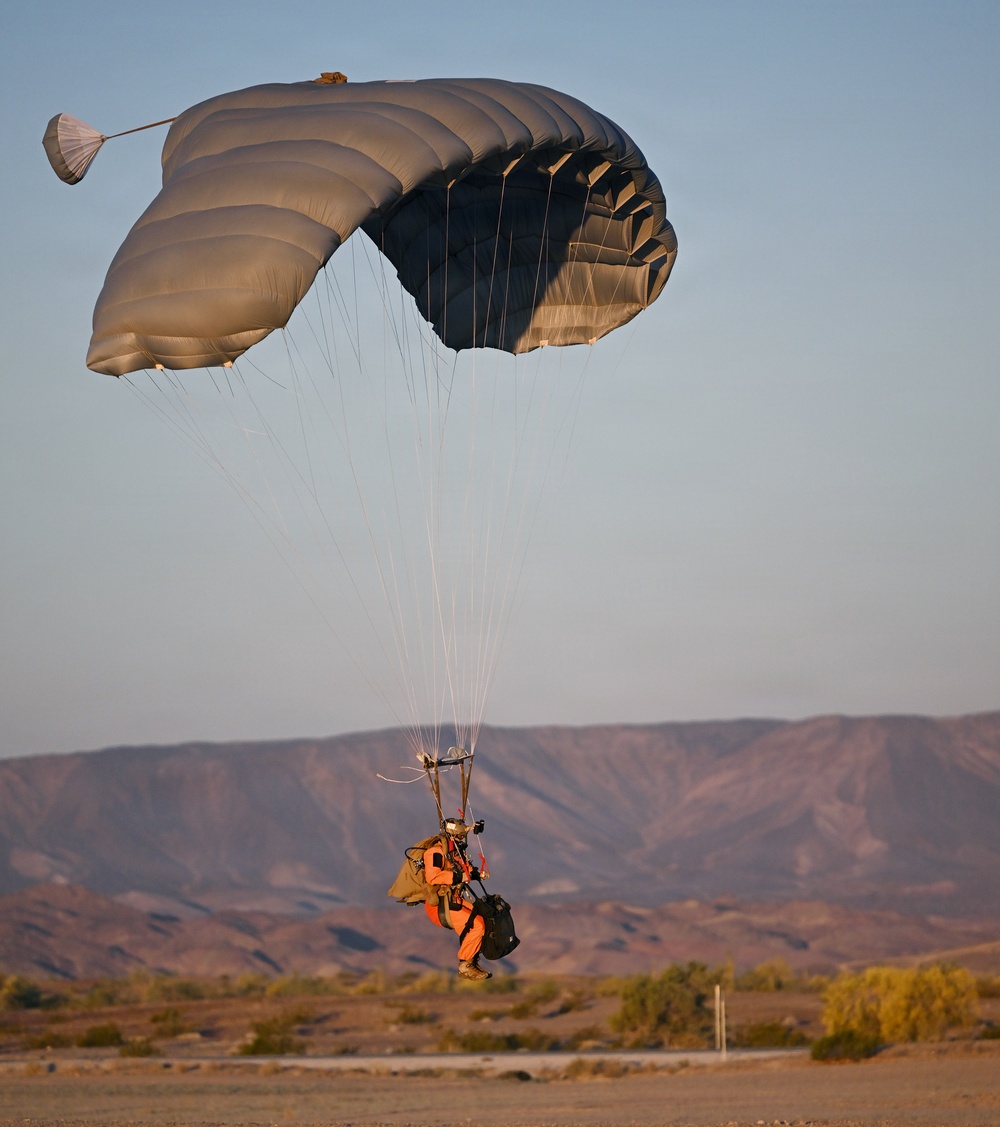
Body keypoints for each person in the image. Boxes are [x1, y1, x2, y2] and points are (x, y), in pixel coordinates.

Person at [422, 818, 491, 980]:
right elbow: (433, 877)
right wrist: (461, 876)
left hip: (454, 899)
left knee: (484, 920)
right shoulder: (435, 853)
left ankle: (472, 959)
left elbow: (464, 870)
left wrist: (475, 874)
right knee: (477, 927)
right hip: (441, 904)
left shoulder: (453, 853)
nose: (461, 840)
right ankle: (465, 965)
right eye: (459, 837)